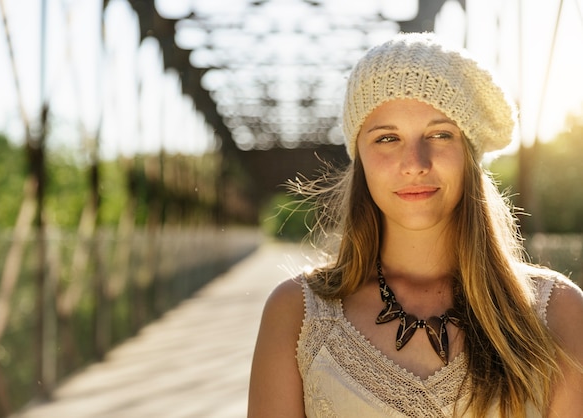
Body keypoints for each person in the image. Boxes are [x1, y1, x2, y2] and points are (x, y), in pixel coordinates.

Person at [247, 32, 583, 417]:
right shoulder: (297, 313)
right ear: (360, 159)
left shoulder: (557, 311)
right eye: (387, 138)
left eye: (440, 134)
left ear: (469, 154)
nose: (415, 162)